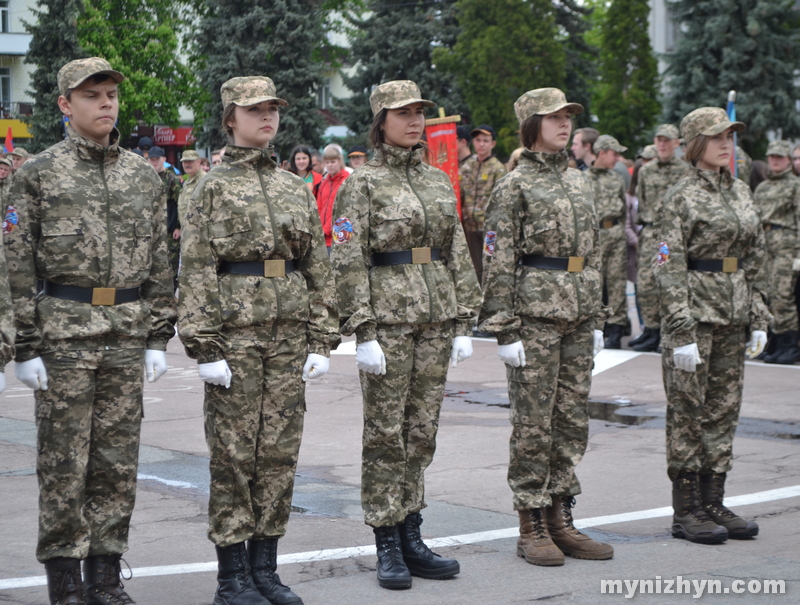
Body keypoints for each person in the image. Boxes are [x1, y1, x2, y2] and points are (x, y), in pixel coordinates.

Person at [4, 57, 176, 605]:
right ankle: (65, 583)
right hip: (63, 338)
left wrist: (156, 336)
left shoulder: (142, 177)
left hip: (125, 335)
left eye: (111, 94)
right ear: (64, 104)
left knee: (116, 463)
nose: (106, 103)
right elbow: (14, 264)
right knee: (63, 465)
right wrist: (24, 346)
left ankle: (104, 576)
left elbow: (158, 264)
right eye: (92, 95)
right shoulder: (37, 175)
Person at [178, 75, 339, 605]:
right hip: (236, 337)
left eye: (272, 109)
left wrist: (322, 336)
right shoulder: (209, 185)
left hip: (289, 335)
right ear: (230, 119)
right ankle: (232, 576)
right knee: (232, 456)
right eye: (254, 110)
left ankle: (265, 567)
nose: (266, 118)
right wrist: (204, 346)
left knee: (278, 453)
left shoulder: (295, 186)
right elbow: (196, 267)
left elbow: (316, 263)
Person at [330, 80, 481, 590]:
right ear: (381, 122)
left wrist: (465, 319)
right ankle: (386, 540)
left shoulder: (438, 181)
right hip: (389, 323)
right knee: (385, 434)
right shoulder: (362, 182)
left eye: (419, 112)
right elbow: (348, 258)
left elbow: (457, 249)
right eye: (403, 113)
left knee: (421, 432)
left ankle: (412, 531)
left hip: (436, 318)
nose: (415, 121)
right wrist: (362, 329)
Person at [479, 88, 613, 567]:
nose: (564, 125)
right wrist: (504, 327)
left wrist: (598, 315)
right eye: (553, 118)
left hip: (578, 313)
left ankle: (561, 517)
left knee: (571, 421)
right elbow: (498, 258)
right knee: (534, 424)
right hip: (534, 316)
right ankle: (531, 523)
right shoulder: (513, 185)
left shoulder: (580, 181)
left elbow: (594, 253)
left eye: (568, 118)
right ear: (531, 125)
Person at [656, 107, 770, 545]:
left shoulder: (741, 191)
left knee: (723, 410)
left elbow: (755, 257)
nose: (727, 144)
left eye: (731, 136)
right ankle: (686, 510)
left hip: (733, 313)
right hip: (695, 315)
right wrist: (681, 329)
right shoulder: (679, 196)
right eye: (717, 137)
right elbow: (668, 265)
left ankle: (714, 499)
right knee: (688, 413)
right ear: (695, 144)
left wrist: (759, 315)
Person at [630, 124, 690, 352]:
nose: (662, 144)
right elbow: (642, 201)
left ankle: (666, 331)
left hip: (669, 238)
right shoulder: (646, 170)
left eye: (667, 140)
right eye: (659, 140)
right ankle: (651, 330)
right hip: (649, 234)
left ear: (676, 143)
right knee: (645, 283)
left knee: (666, 282)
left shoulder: (684, 171)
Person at [753, 140, 800, 364]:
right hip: (765, 244)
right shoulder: (762, 187)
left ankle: (790, 344)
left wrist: (798, 255)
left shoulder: (795, 185)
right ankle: (775, 342)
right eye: (772, 156)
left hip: (786, 244)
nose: (775, 160)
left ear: (789, 161)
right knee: (767, 295)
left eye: (780, 157)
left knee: (783, 296)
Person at [588, 135, 629, 349]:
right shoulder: (583, 178)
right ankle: (594, 324)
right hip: (594, 236)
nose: (617, 158)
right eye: (614, 154)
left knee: (616, 283)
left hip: (614, 233)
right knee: (593, 282)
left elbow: (623, 207)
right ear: (601, 153)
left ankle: (616, 328)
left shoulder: (617, 178)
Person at [460, 124, 507, 286]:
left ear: (493, 144)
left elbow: (502, 202)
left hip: (489, 230)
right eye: (478, 140)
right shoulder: (466, 167)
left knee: (489, 264)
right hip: (470, 227)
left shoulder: (498, 169)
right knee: (474, 266)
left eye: (485, 141)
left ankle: (489, 298)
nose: (481, 144)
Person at [148, 146, 182, 289]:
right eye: (152, 159)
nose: (154, 162)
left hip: (169, 230)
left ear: (164, 159)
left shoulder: (172, 179)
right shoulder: (148, 179)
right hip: (152, 230)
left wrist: (179, 227)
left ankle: (172, 296)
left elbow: (181, 204)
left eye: (157, 159)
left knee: (171, 267)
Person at [314, 144, 349, 250]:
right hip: (324, 238)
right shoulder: (323, 182)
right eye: (327, 162)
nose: (330, 165)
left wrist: (327, 228)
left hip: (340, 237)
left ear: (340, 161)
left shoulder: (346, 180)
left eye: (333, 162)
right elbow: (319, 208)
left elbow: (343, 210)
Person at [177, 150, 203, 224]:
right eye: (185, 162)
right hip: (186, 230)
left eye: (190, 161)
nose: (187, 164)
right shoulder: (187, 181)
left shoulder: (204, 180)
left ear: (198, 162)